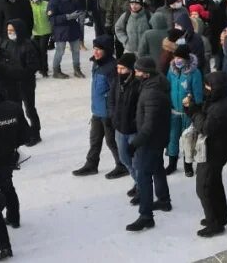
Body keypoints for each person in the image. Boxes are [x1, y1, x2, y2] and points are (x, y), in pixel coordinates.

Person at [184, 71, 227, 237]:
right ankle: (220, 216)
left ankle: (214, 223)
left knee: (204, 187)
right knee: (214, 184)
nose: (206, 89)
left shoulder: (221, 107)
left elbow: (206, 127)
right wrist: (192, 109)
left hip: (213, 150)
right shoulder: (218, 101)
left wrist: (193, 112)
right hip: (215, 149)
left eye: (209, 86)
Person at [71, 35, 127, 179]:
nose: (95, 52)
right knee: (94, 139)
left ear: (107, 51)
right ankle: (91, 164)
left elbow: (115, 92)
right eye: (94, 48)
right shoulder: (97, 63)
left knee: (111, 141)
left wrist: (112, 112)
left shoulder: (112, 68)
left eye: (99, 50)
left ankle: (122, 165)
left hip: (108, 113)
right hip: (97, 111)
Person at [126, 56, 172, 232]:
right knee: (157, 167)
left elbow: (149, 125)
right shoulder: (151, 85)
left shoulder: (152, 92)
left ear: (146, 73)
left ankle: (146, 216)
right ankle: (164, 200)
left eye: (138, 71)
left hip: (151, 140)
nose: (135, 73)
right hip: (156, 138)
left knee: (143, 175)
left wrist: (134, 144)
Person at [0, 71, 28, 248]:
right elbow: (25, 135)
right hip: (9, 157)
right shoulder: (14, 107)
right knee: (8, 187)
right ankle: (14, 217)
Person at [0, 20, 41, 146]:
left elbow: (33, 66)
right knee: (16, 109)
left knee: (29, 108)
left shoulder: (28, 45)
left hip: (26, 83)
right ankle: (22, 133)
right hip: (12, 84)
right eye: (8, 31)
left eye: (12, 30)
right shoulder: (6, 44)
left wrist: (17, 73)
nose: (10, 33)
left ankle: (35, 133)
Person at [165, 45, 203, 176]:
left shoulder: (194, 73)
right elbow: (167, 88)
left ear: (186, 59)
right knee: (172, 138)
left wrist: (193, 105)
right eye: (175, 57)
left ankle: (188, 164)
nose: (177, 60)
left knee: (189, 139)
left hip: (188, 113)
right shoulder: (171, 71)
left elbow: (198, 94)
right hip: (174, 112)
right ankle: (172, 163)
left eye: (180, 57)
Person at [109, 53, 141, 202]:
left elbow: (142, 109)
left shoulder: (138, 84)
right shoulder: (116, 81)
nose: (119, 71)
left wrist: (135, 123)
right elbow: (111, 100)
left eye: (122, 69)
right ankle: (137, 181)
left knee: (136, 161)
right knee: (124, 158)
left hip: (134, 130)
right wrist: (114, 117)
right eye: (118, 68)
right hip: (120, 128)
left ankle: (141, 186)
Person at [29, 0, 52, 78]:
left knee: (43, 51)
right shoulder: (29, 5)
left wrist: (50, 13)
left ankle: (44, 69)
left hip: (45, 31)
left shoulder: (46, 4)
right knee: (36, 51)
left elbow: (50, 15)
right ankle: (38, 67)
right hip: (34, 32)